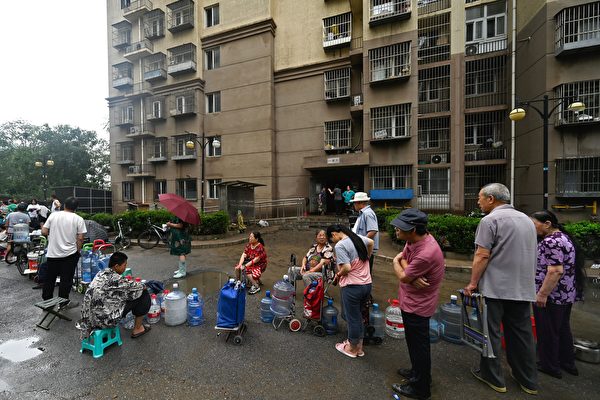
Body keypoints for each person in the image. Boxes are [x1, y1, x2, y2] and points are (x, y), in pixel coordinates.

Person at [463, 183, 538, 395]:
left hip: (496, 288)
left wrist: (472, 283)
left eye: (480, 197)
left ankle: (494, 378)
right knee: (522, 335)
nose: (478, 201)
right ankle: (528, 380)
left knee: (491, 333)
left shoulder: (490, 220)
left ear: (491, 199)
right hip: (523, 288)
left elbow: (482, 255)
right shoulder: (527, 220)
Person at [390, 209, 445, 400]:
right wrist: (411, 276)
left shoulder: (427, 252)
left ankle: (420, 388)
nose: (396, 229)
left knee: (419, 347)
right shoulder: (413, 240)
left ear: (412, 229)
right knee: (414, 344)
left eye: (400, 227)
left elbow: (402, 273)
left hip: (418, 306)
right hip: (411, 300)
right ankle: (417, 373)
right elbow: (405, 261)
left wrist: (397, 262)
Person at [531, 210, 583, 379]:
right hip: (566, 294)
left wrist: (542, 294)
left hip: (552, 295)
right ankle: (567, 362)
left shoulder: (551, 241)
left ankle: (550, 365)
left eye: (535, 224)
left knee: (547, 330)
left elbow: (555, 270)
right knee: (562, 328)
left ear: (547, 224)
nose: (533, 228)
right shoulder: (564, 238)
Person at [78, 252, 151, 339]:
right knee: (143, 293)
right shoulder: (115, 278)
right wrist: (144, 286)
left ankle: (97, 330)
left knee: (126, 295)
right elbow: (138, 287)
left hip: (89, 320)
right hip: (105, 320)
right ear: (116, 266)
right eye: (124, 265)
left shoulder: (100, 274)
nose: (125, 268)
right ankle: (138, 329)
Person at [326, 224, 373, 358]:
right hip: (366, 284)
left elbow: (346, 267)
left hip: (352, 286)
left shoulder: (340, 245)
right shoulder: (357, 238)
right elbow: (371, 242)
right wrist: (366, 258)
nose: (333, 242)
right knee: (359, 316)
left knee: (352, 318)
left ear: (334, 234)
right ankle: (359, 347)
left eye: (332, 239)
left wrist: (339, 274)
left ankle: (352, 348)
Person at [41, 197, 87, 307]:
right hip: (70, 254)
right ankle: (63, 303)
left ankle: (47, 303)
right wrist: (77, 250)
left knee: (50, 279)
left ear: (64, 205)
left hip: (53, 254)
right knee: (66, 280)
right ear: (76, 208)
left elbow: (44, 231)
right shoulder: (78, 219)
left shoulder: (53, 215)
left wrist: (53, 237)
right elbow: (80, 238)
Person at [350, 192, 379, 275]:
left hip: (365, 249)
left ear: (360, 203)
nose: (354, 205)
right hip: (363, 248)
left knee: (364, 274)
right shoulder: (363, 213)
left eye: (354, 203)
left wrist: (361, 243)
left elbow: (373, 231)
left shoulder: (367, 213)